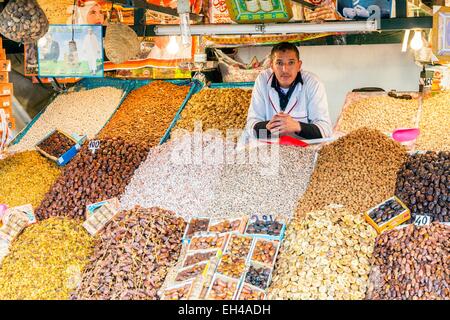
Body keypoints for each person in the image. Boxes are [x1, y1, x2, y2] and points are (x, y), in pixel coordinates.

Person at [243, 42, 332, 142]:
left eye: (291, 63)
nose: (285, 70)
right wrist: (267, 127)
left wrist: (297, 126)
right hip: (270, 151)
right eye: (279, 63)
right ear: (271, 65)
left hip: (305, 151)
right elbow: (251, 126)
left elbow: (325, 130)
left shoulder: (313, 83)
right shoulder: (263, 80)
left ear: (299, 65)